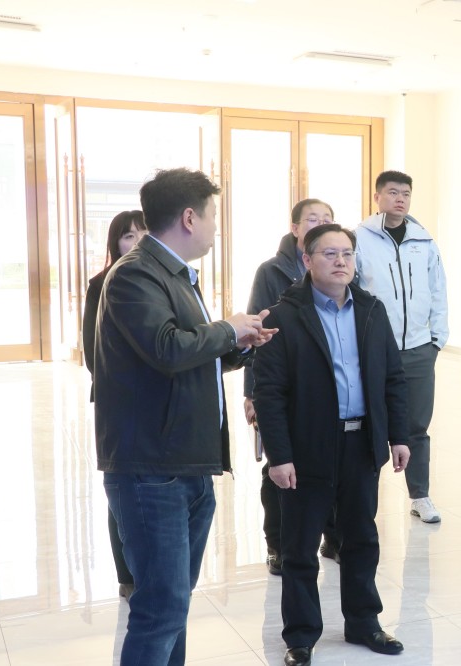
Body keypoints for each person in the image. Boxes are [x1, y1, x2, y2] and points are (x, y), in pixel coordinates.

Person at [93, 168, 275, 664]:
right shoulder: (135, 274)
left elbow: (190, 356)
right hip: (152, 468)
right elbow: (167, 348)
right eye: (213, 216)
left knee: (173, 605)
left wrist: (240, 343)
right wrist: (227, 328)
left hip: (186, 461)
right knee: (160, 609)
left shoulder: (174, 275)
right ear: (190, 218)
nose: (216, 227)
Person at [253, 224, 410, 664]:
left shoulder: (372, 310)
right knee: (300, 547)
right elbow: (269, 393)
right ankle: (301, 635)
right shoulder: (283, 317)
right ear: (307, 260)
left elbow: (393, 378)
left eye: (347, 253)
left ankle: (364, 621)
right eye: (329, 254)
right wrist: (279, 456)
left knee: (361, 538)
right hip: (308, 448)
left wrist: (399, 435)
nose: (341, 261)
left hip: (361, 443)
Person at [241, 199, 340, 574]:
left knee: (333, 463)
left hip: (330, 386)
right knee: (280, 466)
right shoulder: (272, 271)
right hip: (284, 383)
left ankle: (333, 538)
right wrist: (252, 392)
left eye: (327, 218)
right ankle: (278, 545)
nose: (320, 223)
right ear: (295, 227)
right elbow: (258, 332)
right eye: (312, 219)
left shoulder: (342, 267)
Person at [354, 170, 448, 523]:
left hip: (420, 348)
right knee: (370, 424)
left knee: (417, 426)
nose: (400, 199)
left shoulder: (424, 241)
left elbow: (438, 290)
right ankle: (363, 499)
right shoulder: (359, 239)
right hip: (375, 349)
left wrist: (437, 339)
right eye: (393, 192)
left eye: (406, 193)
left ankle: (420, 496)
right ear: (377, 197)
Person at [83, 209, 146, 600]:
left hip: (159, 404)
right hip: (118, 402)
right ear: (115, 243)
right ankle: (127, 575)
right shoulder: (101, 284)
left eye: (143, 233)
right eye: (128, 236)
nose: (136, 242)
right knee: (121, 486)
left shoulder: (168, 281)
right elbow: (94, 353)